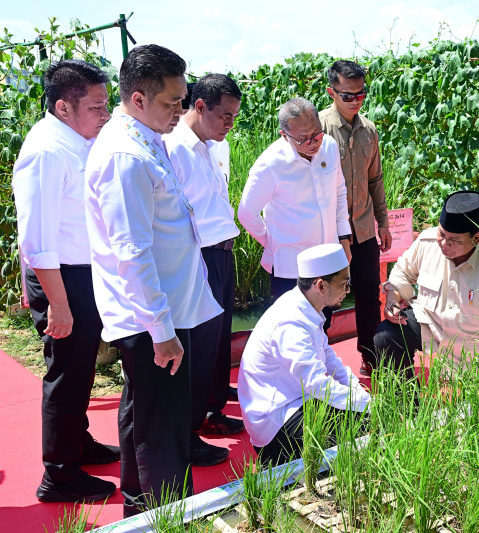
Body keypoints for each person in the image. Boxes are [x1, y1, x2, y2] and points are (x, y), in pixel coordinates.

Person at [84, 44, 222, 517]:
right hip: (151, 319)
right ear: (138, 98)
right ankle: (165, 518)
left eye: (183, 99)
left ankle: (139, 511)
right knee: (161, 431)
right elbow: (132, 253)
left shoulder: (144, 134)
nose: (180, 110)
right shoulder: (126, 155)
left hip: (163, 309)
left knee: (143, 416)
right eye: (171, 102)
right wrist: (162, 333)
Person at [12, 60, 117, 503]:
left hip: (77, 273)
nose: (105, 114)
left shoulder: (76, 137)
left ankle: (79, 444)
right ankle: (59, 475)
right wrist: (57, 302)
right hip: (63, 279)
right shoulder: (48, 151)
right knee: (66, 373)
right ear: (63, 106)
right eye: (96, 107)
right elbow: (36, 240)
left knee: (81, 368)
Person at [164, 74, 244, 467]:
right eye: (224, 115)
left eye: (234, 115)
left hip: (221, 253)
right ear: (199, 106)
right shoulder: (176, 147)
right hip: (199, 255)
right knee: (197, 346)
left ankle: (210, 412)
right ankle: (188, 432)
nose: (230, 123)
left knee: (216, 342)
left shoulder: (211, 146)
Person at [238, 243, 370, 466]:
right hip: (277, 423)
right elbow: (316, 382)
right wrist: (366, 404)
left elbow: (329, 358)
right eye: (344, 284)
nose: (347, 291)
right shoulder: (291, 323)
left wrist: (357, 390)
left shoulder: (305, 305)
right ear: (320, 285)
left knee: (360, 415)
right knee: (361, 427)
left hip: (297, 401)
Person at [374, 191, 479, 380]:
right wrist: (392, 298)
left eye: (454, 240)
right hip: (433, 327)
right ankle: (408, 408)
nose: (443, 243)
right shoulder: (427, 242)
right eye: (441, 233)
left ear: (476, 237)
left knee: (478, 405)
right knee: (386, 336)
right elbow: (401, 272)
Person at [238, 98, 351, 308]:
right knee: (294, 327)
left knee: (325, 322)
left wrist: (344, 238)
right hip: (291, 267)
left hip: (328, 259)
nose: (314, 142)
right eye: (303, 139)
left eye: (317, 133)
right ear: (284, 135)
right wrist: (273, 243)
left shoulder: (330, 147)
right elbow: (246, 213)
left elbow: (339, 192)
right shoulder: (270, 164)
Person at [319, 60, 391, 377]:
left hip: (362, 230)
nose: (355, 101)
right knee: (322, 303)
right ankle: (318, 365)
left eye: (361, 94)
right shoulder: (317, 129)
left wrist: (383, 222)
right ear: (331, 92)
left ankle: (370, 358)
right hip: (327, 234)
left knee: (367, 296)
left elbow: (374, 180)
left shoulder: (369, 130)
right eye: (348, 95)